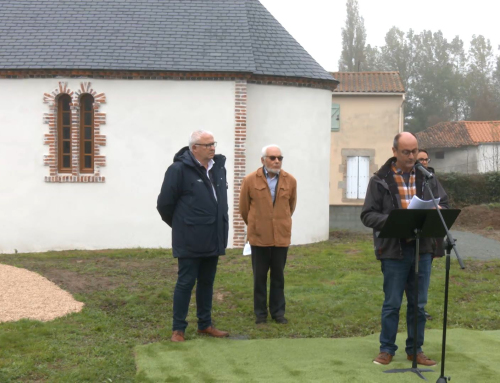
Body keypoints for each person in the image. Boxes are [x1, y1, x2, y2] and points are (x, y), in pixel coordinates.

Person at [361, 132, 449, 366]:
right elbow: (368, 215)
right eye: (406, 152)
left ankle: (415, 350)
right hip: (394, 251)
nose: (412, 157)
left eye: (415, 151)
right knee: (392, 303)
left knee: (418, 304)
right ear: (394, 152)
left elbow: (445, 204)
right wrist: (395, 220)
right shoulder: (380, 180)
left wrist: (437, 208)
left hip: (423, 249)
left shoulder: (428, 178)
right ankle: (387, 349)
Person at [157, 130, 229, 342]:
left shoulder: (218, 168)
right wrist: (181, 225)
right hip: (189, 237)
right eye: (207, 145)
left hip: (213, 236)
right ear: (194, 148)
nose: (212, 148)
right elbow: (164, 205)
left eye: (213, 144)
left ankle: (204, 324)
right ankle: (178, 329)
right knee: (186, 282)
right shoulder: (178, 169)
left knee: (207, 282)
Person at [239, 145, 297, 325]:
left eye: (280, 158)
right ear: (263, 160)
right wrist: (257, 224)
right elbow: (244, 208)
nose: (276, 161)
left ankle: (278, 313)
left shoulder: (290, 181)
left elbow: (291, 206)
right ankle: (260, 314)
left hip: (281, 237)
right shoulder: (250, 180)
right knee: (260, 277)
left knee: (278, 276)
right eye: (272, 158)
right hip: (259, 236)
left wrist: (280, 221)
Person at [416, 149, 444, 321]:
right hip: (407, 236)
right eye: (421, 160)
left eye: (426, 160)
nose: (424, 163)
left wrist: (440, 208)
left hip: (428, 238)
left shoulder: (432, 180)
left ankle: (420, 309)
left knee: (424, 277)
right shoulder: (409, 179)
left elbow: (445, 202)